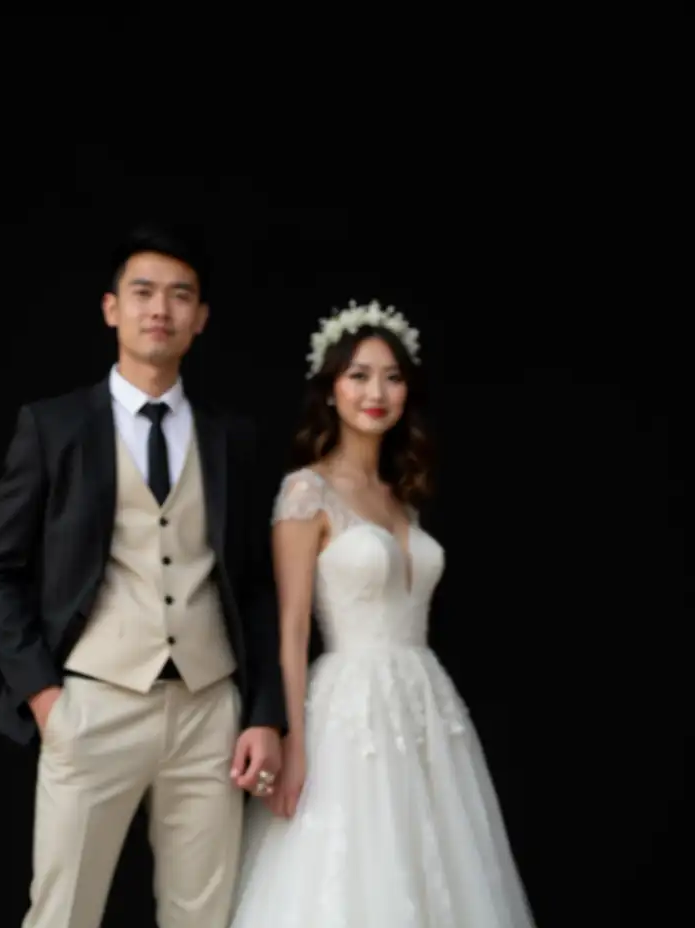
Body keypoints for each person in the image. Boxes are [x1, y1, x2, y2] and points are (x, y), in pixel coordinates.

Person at [0, 224, 286, 928]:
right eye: (143, 292)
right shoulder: (53, 425)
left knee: (202, 917)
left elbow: (257, 584)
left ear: (200, 318)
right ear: (111, 307)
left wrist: (264, 712)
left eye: (180, 296)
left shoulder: (232, 435)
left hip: (209, 710)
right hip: (94, 705)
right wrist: (48, 700)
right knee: (63, 915)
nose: (160, 310)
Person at [228, 300, 538, 927]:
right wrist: (294, 744)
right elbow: (291, 632)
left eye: (392, 377)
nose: (377, 392)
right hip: (349, 711)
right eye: (360, 375)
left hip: (426, 703)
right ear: (332, 389)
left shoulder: (402, 497)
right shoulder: (305, 490)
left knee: (440, 872)